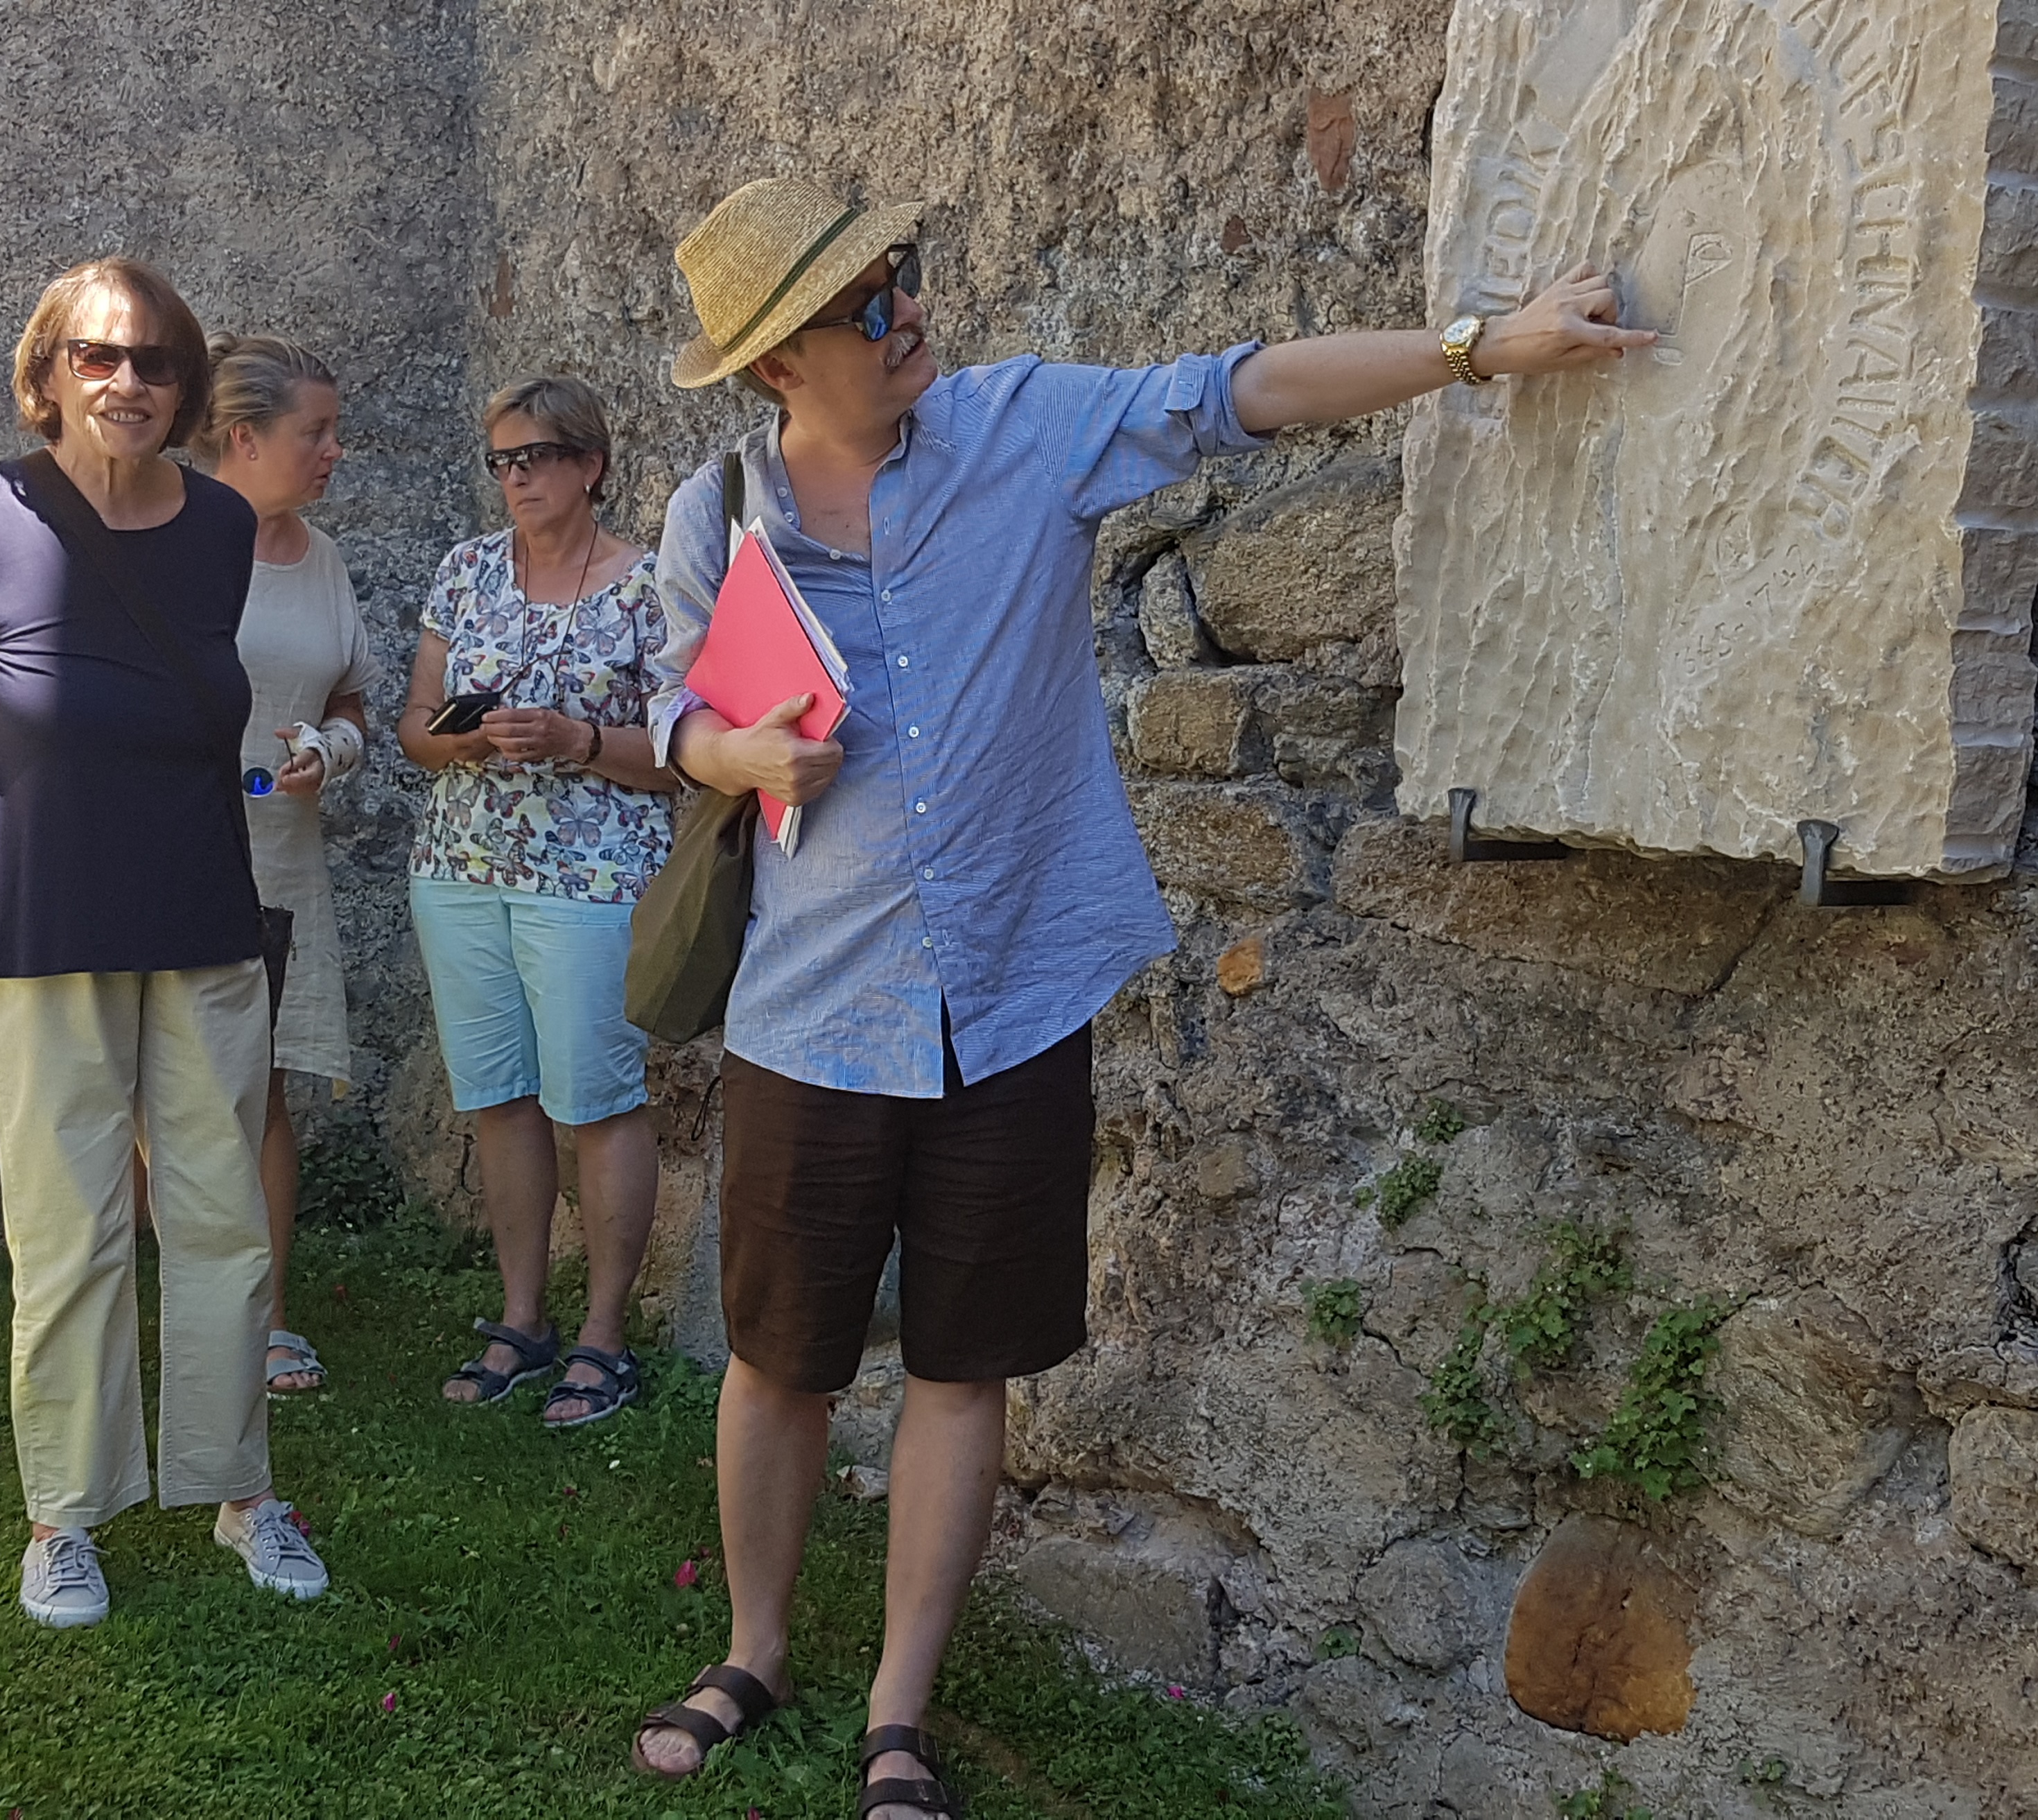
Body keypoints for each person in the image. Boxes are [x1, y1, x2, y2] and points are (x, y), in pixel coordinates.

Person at [628, 176, 1657, 1818]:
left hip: (1015, 994)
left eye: (900, 278)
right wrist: (730, 751)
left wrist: (1481, 346)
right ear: (773, 367)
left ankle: (900, 1710)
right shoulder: (715, 511)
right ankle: (753, 1647)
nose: (908, 314)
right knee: (780, 1357)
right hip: (810, 1011)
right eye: (866, 305)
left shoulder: (1020, 431)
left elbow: (1240, 387)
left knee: (967, 1361)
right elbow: (676, 710)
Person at [0, 257, 326, 1628]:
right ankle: (63, 1514)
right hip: (41, 923)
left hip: (201, 913)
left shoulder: (213, 525)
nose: (125, 382)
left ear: (185, 385)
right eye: (96, 356)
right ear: (50, 374)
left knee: (222, 1221)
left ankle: (239, 1489)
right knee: (70, 1228)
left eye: (151, 361)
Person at [397, 376, 677, 1428]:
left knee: (597, 1101)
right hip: (463, 868)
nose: (517, 477)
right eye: (503, 461)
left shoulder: (650, 587)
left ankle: (605, 1333)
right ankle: (524, 1317)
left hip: (594, 878)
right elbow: (417, 729)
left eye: (539, 457)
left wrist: (580, 742)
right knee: (498, 1095)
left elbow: (688, 754)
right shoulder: (467, 571)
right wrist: (471, 736)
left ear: (592, 465)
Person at [194, 333, 378, 1397]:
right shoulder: (170, 537)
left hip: (279, 860)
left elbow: (349, 699)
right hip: (174, 857)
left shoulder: (323, 557)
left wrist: (332, 751)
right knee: (158, 1096)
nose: (334, 451)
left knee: (258, 1094)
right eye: (315, 432)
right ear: (243, 436)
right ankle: (164, 1315)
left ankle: (262, 1324)